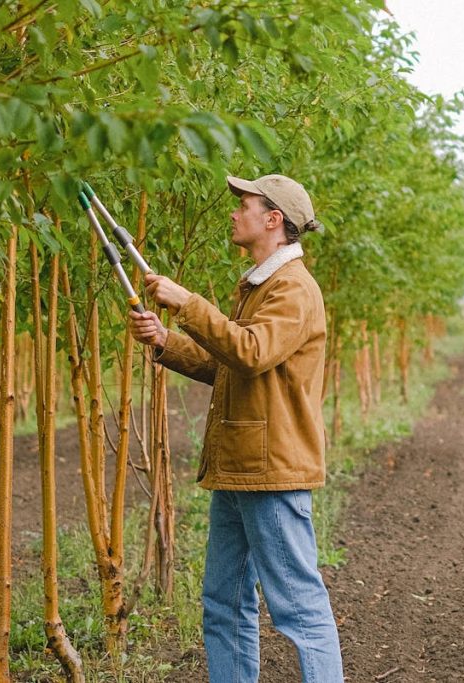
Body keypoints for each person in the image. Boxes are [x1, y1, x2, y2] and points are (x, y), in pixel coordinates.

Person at [129, 174, 343, 682]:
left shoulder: (292, 289)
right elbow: (228, 362)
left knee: (298, 606)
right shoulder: (261, 284)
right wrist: (166, 340)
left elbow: (252, 353)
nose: (233, 212)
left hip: (272, 471)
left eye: (243, 204)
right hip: (240, 467)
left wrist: (186, 304)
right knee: (223, 602)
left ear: (274, 220)